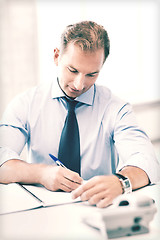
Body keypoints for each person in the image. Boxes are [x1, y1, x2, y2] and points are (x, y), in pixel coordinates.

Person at [0, 21, 160, 208]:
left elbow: (147, 161)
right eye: (73, 70)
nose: (79, 84)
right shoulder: (25, 104)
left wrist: (120, 182)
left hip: (97, 208)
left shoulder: (116, 108)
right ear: (57, 56)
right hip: (40, 211)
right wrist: (41, 174)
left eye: (91, 74)